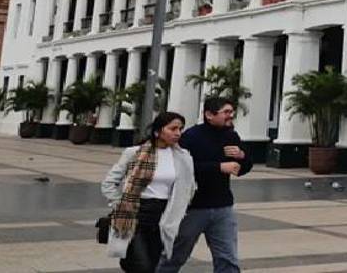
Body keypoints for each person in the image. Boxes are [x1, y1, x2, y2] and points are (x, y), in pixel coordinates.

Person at [160, 97, 252, 273]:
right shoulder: (191, 137)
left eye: (231, 112)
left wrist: (242, 156)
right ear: (209, 114)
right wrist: (218, 167)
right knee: (175, 255)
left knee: (228, 259)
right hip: (192, 208)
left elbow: (244, 166)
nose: (230, 116)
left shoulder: (231, 135)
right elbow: (183, 170)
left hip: (223, 207)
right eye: (226, 112)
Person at [101, 111, 196, 273]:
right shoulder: (134, 153)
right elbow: (109, 182)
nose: (178, 133)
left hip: (163, 217)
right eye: (173, 129)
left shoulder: (183, 157)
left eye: (180, 129)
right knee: (142, 266)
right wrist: (120, 204)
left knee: (152, 265)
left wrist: (181, 207)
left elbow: (190, 186)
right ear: (158, 131)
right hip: (135, 215)